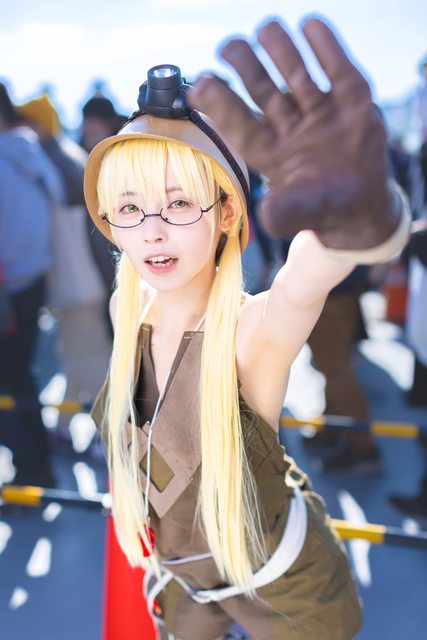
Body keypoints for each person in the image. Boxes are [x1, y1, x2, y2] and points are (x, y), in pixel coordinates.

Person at [85, 18, 410, 640]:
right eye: (129, 207)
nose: (151, 230)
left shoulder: (248, 331)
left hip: (289, 594)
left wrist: (359, 217)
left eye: (180, 202)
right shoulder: (127, 310)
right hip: (187, 585)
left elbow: (305, 279)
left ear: (228, 210)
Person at [18, 93, 112, 446]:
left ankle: (110, 438)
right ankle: (63, 427)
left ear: (40, 125)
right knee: (78, 358)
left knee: (92, 364)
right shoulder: (67, 157)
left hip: (77, 284)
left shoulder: (54, 162)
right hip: (84, 282)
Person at [0, 83, 63, 486]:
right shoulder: (33, 155)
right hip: (34, 280)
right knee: (21, 376)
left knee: (10, 381)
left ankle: (31, 470)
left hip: (6, 287)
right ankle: (37, 464)